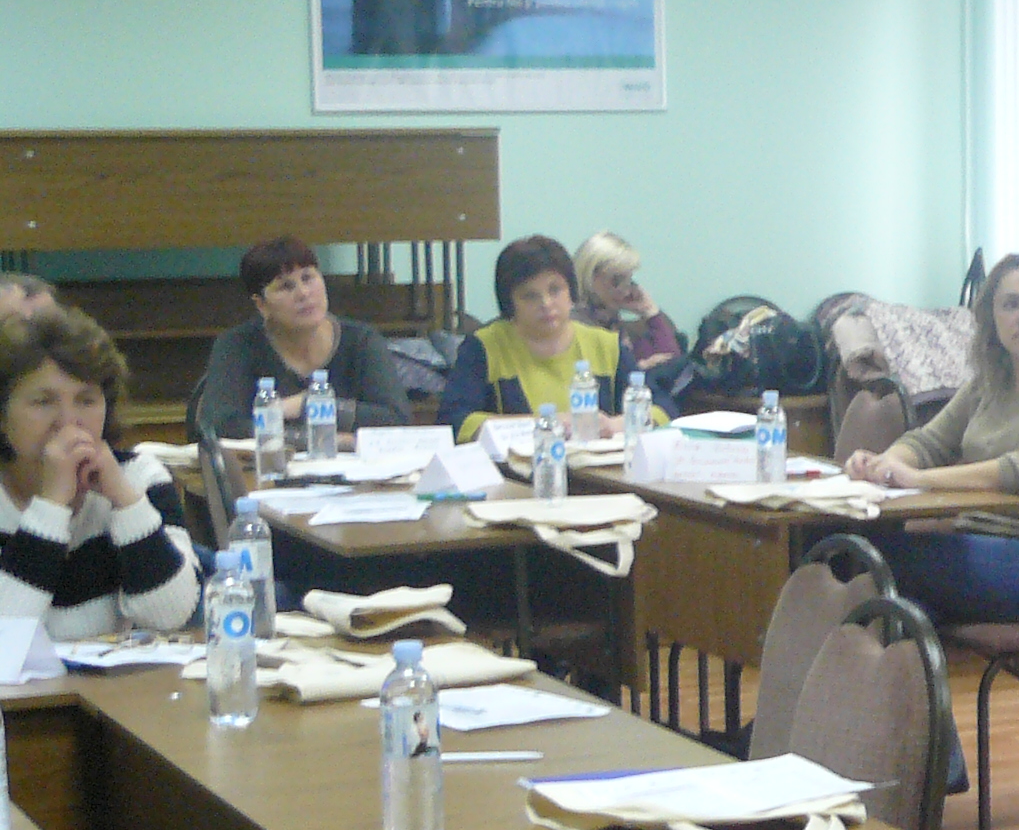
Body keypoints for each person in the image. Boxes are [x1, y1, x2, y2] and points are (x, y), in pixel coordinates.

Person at [843, 253, 1019, 627]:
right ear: (991, 319)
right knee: (879, 589)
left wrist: (917, 479)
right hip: (978, 545)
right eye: (1011, 304)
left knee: (875, 559)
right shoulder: (987, 383)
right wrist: (883, 462)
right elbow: (928, 442)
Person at [0, 308, 200, 637]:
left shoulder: (138, 476)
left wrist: (125, 501)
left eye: (86, 400)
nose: (68, 421)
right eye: (43, 402)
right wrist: (51, 507)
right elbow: (6, 640)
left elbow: (171, 615)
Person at [440, 236, 649, 441]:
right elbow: (457, 422)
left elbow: (658, 409)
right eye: (530, 296)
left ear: (571, 291)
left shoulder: (606, 345)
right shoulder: (483, 347)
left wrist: (612, 425)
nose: (546, 303)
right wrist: (544, 424)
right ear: (509, 303)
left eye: (555, 290)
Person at [198, 237, 409, 439]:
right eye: (286, 286)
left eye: (308, 278)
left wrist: (304, 406)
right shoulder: (237, 345)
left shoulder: (361, 341)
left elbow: (396, 418)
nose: (304, 293)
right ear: (261, 305)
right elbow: (221, 426)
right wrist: (329, 441)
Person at [574, 231, 685, 376]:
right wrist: (637, 370)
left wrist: (650, 311)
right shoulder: (574, 325)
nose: (625, 291)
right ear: (590, 277)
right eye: (616, 281)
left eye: (628, 281)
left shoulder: (619, 325)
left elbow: (672, 365)